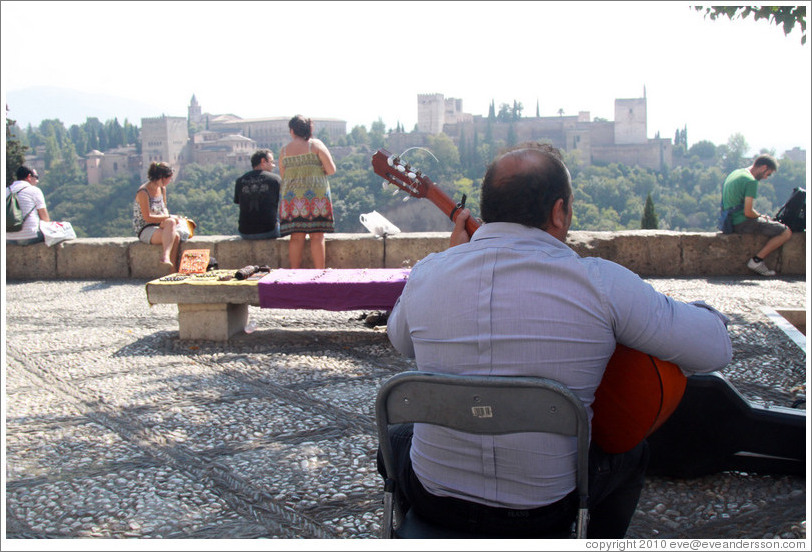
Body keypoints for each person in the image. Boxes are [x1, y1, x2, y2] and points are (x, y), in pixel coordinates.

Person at [382, 143, 733, 538]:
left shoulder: (429, 272)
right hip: (545, 509)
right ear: (558, 211)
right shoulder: (600, 282)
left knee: (393, 442)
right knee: (633, 454)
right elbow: (716, 350)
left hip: (436, 497)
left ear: (490, 207)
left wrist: (449, 260)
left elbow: (401, 342)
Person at [278, 115, 336, 269]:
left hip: (292, 199)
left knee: (296, 237)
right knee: (317, 236)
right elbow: (331, 169)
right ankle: (319, 272)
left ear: (292, 130)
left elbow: (284, 176)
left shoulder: (284, 151)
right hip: (317, 198)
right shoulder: (315, 145)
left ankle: (294, 273)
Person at [721, 154, 792, 277]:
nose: (765, 177)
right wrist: (761, 217)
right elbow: (748, 212)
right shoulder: (751, 181)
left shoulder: (736, 173)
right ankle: (757, 261)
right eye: (767, 174)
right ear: (763, 167)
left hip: (728, 220)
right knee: (786, 232)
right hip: (741, 222)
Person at [132, 162, 182, 272]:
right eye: (169, 178)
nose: (170, 181)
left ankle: (172, 269)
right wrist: (168, 218)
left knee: (175, 232)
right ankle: (166, 258)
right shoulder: (143, 192)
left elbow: (164, 209)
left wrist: (168, 218)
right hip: (145, 228)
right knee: (174, 232)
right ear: (162, 178)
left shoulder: (162, 189)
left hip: (158, 224)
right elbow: (147, 217)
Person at [234, 149, 282, 240]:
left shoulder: (240, 181)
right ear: (263, 161)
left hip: (244, 232)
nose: (273, 165)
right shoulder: (275, 180)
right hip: (269, 231)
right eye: (271, 162)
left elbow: (239, 203)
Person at [6, 165, 50, 245]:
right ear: (29, 176)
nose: (37, 181)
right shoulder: (34, 191)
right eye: (36, 177)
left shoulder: (6, 191)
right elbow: (45, 218)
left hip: (7, 238)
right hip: (30, 236)